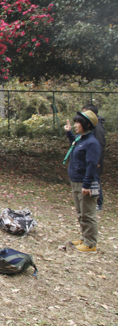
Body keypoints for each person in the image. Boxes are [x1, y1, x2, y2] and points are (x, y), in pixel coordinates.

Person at [64, 110, 101, 253]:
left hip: (86, 184)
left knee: (88, 214)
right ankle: (84, 238)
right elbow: (76, 146)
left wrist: (87, 185)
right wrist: (69, 133)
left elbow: (92, 165)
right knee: (81, 212)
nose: (75, 125)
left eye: (78, 123)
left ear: (86, 124)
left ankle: (90, 244)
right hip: (76, 181)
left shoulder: (92, 143)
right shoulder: (81, 139)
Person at [82, 104, 105, 211]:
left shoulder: (97, 127)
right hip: (89, 157)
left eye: (85, 113)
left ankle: (98, 202)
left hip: (95, 159)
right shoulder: (89, 126)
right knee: (91, 178)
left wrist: (98, 160)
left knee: (95, 179)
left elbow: (100, 143)